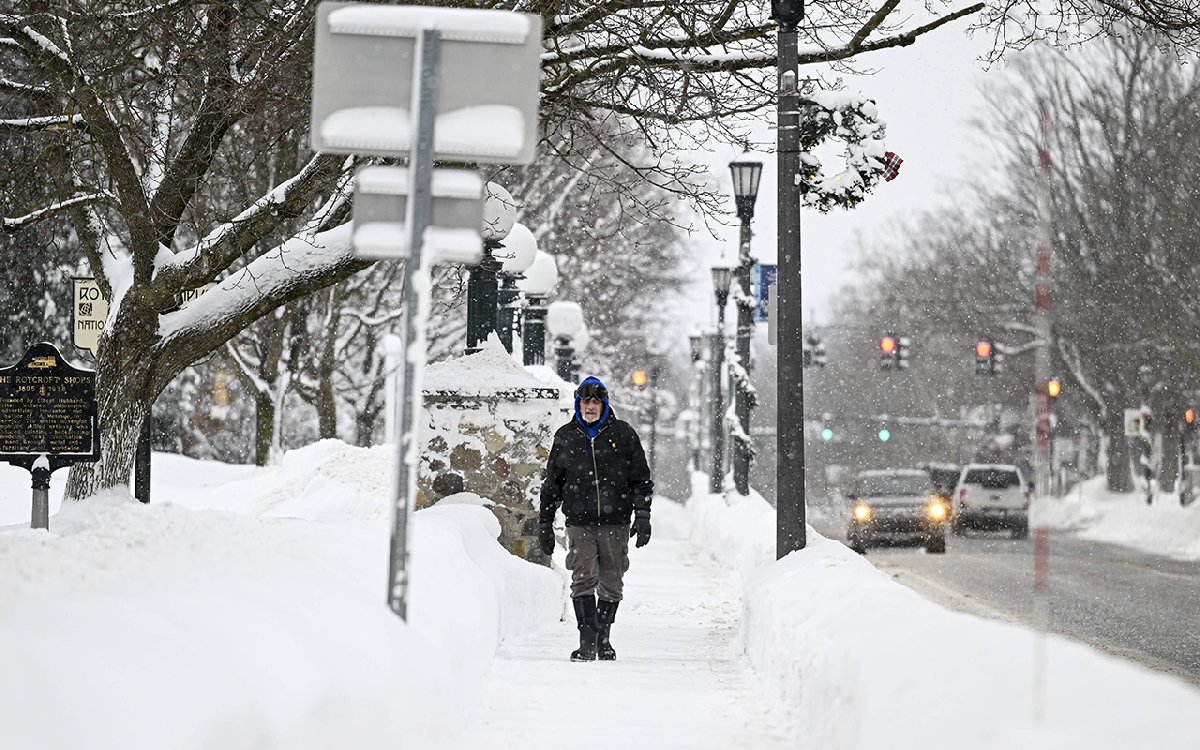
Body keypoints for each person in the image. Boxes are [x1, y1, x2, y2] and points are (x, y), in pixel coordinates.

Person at [538, 375, 653, 662]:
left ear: (604, 404)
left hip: (616, 522)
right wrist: (545, 522)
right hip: (580, 522)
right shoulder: (566, 437)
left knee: (612, 581)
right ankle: (587, 641)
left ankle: (604, 638)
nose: (590, 407)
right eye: (586, 401)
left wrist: (643, 515)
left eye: (596, 402)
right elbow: (552, 484)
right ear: (578, 404)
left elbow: (641, 479)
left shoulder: (623, 435)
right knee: (583, 577)